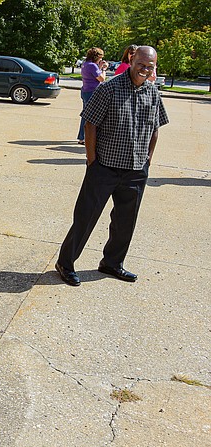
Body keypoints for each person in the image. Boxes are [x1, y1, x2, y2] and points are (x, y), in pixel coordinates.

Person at [55, 46, 168, 287]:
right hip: (104, 166)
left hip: (136, 170)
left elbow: (155, 129)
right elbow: (90, 124)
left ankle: (112, 263)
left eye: (150, 66)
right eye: (141, 64)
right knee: (85, 217)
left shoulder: (153, 93)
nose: (145, 70)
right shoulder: (109, 88)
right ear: (132, 59)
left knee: (125, 221)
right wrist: (92, 160)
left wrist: (147, 160)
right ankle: (65, 263)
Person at [77, 47, 108, 145]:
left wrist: (99, 67)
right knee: (90, 116)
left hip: (85, 90)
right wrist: (103, 69)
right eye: (100, 57)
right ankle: (84, 137)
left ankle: (82, 137)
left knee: (85, 115)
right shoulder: (92, 66)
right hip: (92, 92)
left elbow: (93, 75)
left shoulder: (85, 64)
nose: (101, 59)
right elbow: (102, 79)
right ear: (96, 56)